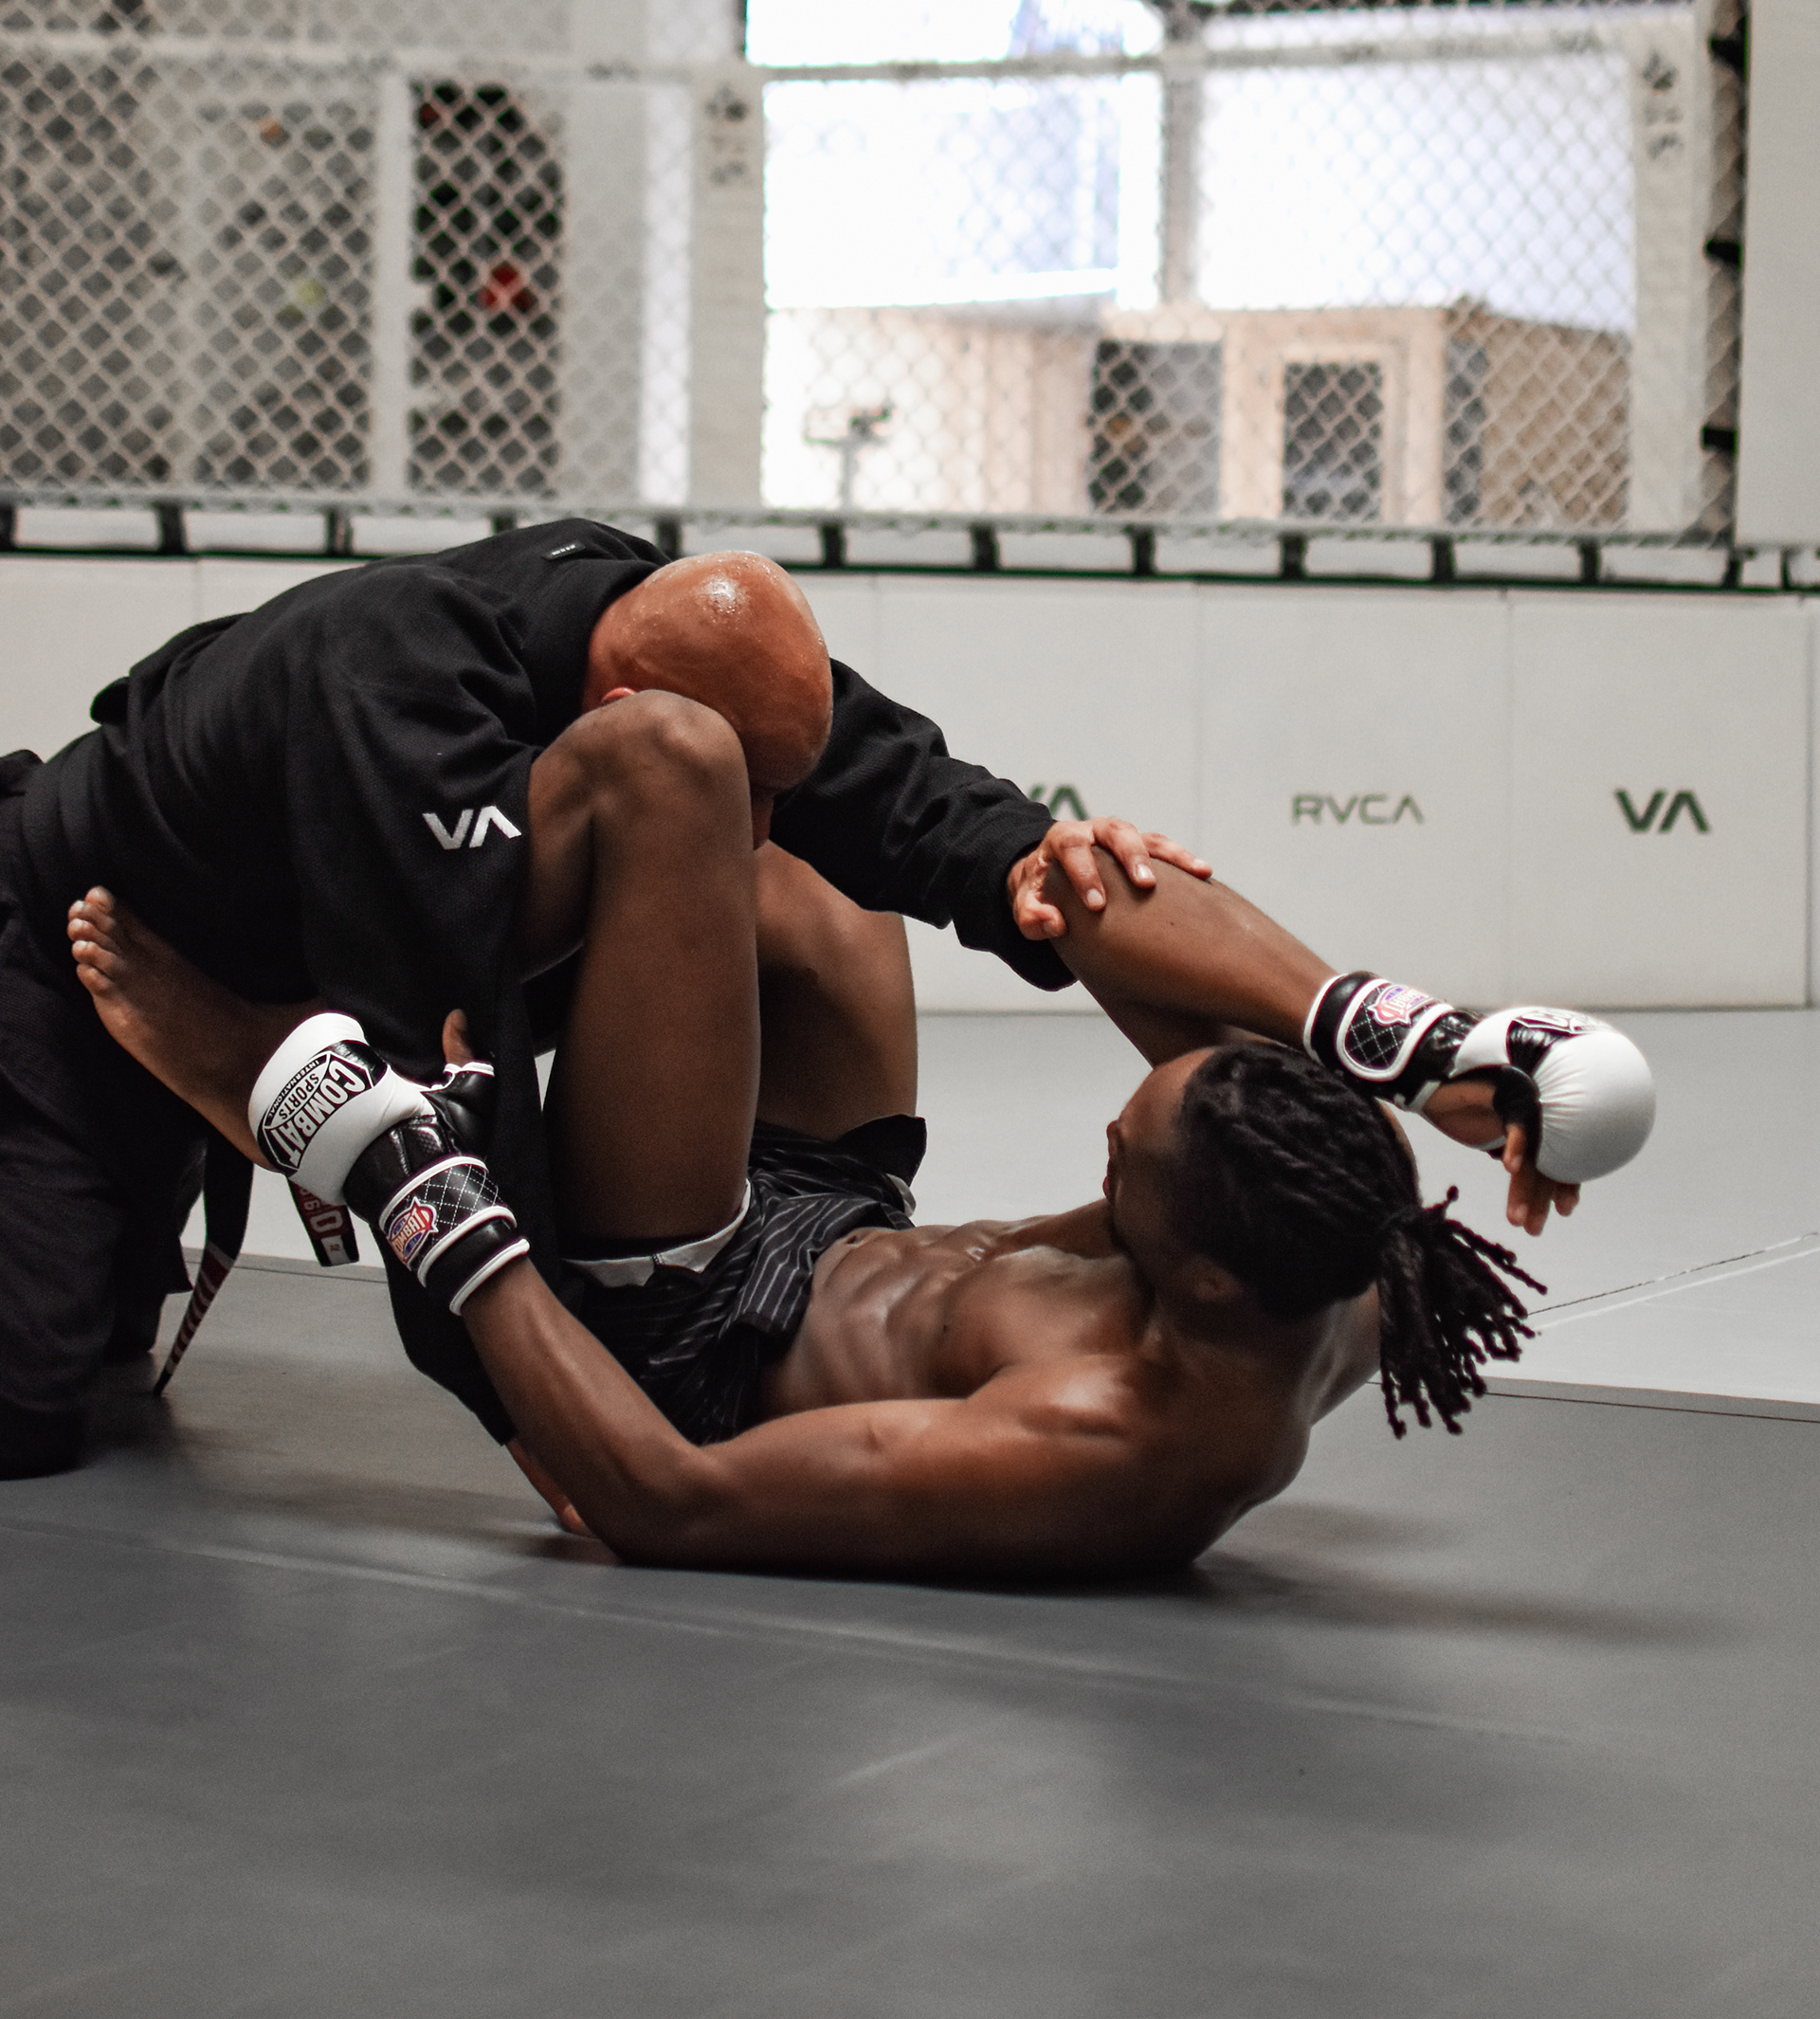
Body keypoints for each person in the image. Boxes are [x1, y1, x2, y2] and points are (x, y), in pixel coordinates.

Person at [64, 677, 1653, 1582]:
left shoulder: (1101, 1444)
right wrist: (1460, 1083)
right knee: (862, 819)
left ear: (1207, 1280)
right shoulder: (1328, 1235)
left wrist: (436, 1206)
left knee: (668, 765)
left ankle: (316, 1081)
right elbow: (1202, 1068)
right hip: (841, 1212)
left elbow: (659, 1505)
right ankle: (1402, 1030)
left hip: (677, 1322)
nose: (1109, 1129)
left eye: (1123, 1161)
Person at [0, 520, 1199, 1478]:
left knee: (81, 1368)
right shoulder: (403, 682)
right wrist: (531, 1415)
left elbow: (865, 770)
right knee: (26, 1409)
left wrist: (1022, 855)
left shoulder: (1130, 1407)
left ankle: (228, 1080)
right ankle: (233, 1076)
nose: (753, 835)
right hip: (77, 931)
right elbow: (434, 1050)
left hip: (725, 1275)